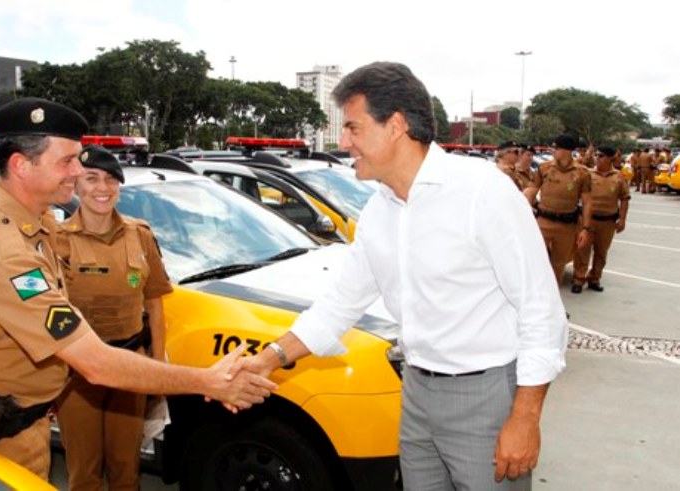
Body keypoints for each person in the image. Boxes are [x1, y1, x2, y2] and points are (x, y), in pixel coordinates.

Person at [229, 62, 567, 490]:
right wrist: (268, 359)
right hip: (416, 394)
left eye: (353, 128)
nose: (343, 142)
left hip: (484, 398)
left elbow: (541, 310)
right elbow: (339, 305)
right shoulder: (380, 209)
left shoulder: (483, 192)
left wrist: (525, 418)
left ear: (396, 125)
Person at [0, 98, 276, 478]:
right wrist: (208, 382)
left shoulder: (36, 222)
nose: (77, 172)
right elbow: (96, 364)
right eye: (67, 161)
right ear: (21, 165)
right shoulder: (4, 249)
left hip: (17, 420)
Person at [52, 145, 172, 490]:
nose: (102, 188)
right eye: (91, 179)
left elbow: (155, 306)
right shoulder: (57, 240)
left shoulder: (140, 235)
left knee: (126, 470)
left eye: (110, 179)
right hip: (78, 374)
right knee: (84, 473)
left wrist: (157, 369)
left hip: (129, 365)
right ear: (76, 184)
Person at [524, 135, 593, 286]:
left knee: (558, 263)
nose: (552, 150)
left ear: (567, 150)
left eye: (556, 148)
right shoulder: (544, 168)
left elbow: (587, 202)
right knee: (536, 259)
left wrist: (585, 229)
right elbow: (532, 189)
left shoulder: (582, 173)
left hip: (566, 226)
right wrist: (523, 211)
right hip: (543, 222)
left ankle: (553, 295)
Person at [571, 146, 630, 293]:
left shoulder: (619, 176)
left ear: (610, 158)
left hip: (607, 222)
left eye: (601, 156)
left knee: (601, 252)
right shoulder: (588, 174)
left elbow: (624, 199)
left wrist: (622, 220)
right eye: (597, 155)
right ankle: (578, 279)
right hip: (587, 220)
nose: (597, 158)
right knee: (582, 250)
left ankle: (594, 278)